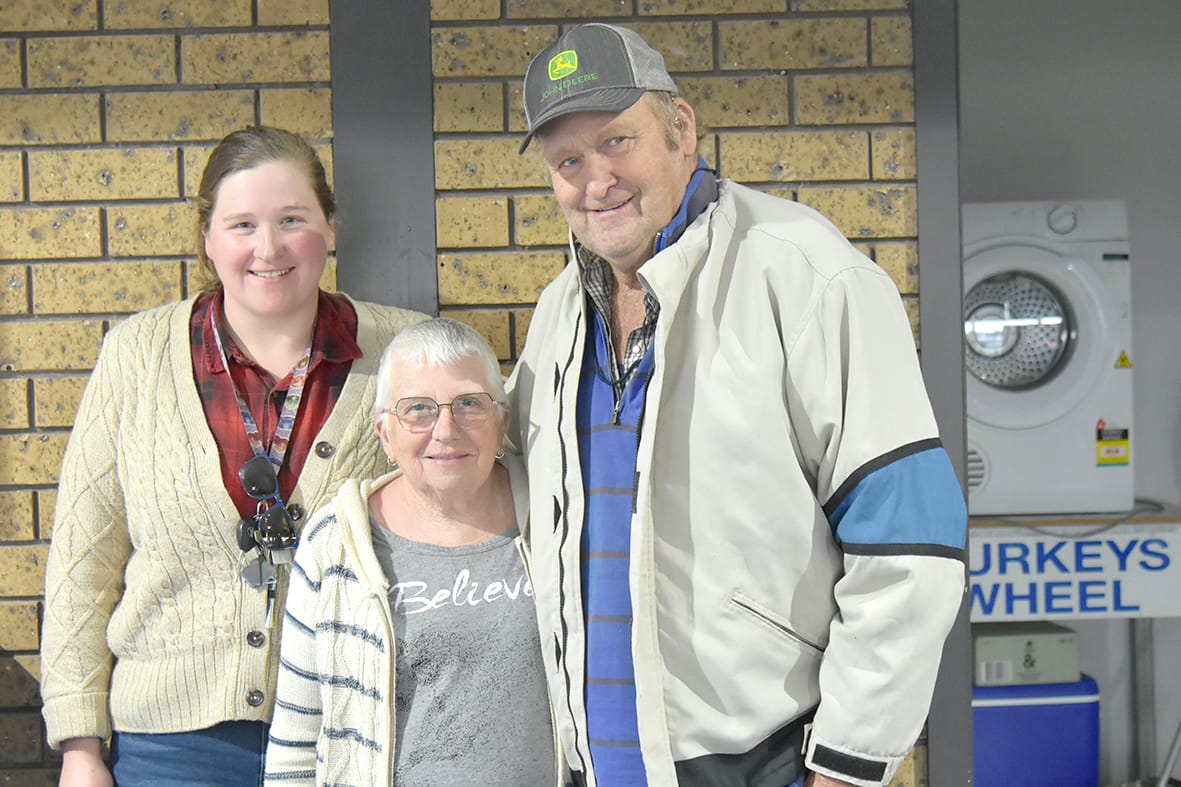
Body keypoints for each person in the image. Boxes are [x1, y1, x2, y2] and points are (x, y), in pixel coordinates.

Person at [507, 23, 968, 787]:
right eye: (568, 161)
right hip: (604, 765)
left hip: (765, 765)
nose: (596, 181)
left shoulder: (807, 276)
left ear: (680, 128)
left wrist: (847, 768)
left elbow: (909, 545)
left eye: (617, 142)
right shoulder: (559, 312)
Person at [39, 126, 427, 787]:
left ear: (329, 228)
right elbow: (85, 558)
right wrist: (79, 745)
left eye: (292, 220)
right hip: (173, 749)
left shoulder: (409, 354)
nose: (268, 247)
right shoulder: (134, 356)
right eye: (242, 223)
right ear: (208, 238)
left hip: (359, 732)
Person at [261, 317, 557, 786]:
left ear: (501, 418)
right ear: (385, 435)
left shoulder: (555, 522)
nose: (446, 429)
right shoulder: (335, 544)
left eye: (468, 404)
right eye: (418, 409)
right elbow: (297, 740)